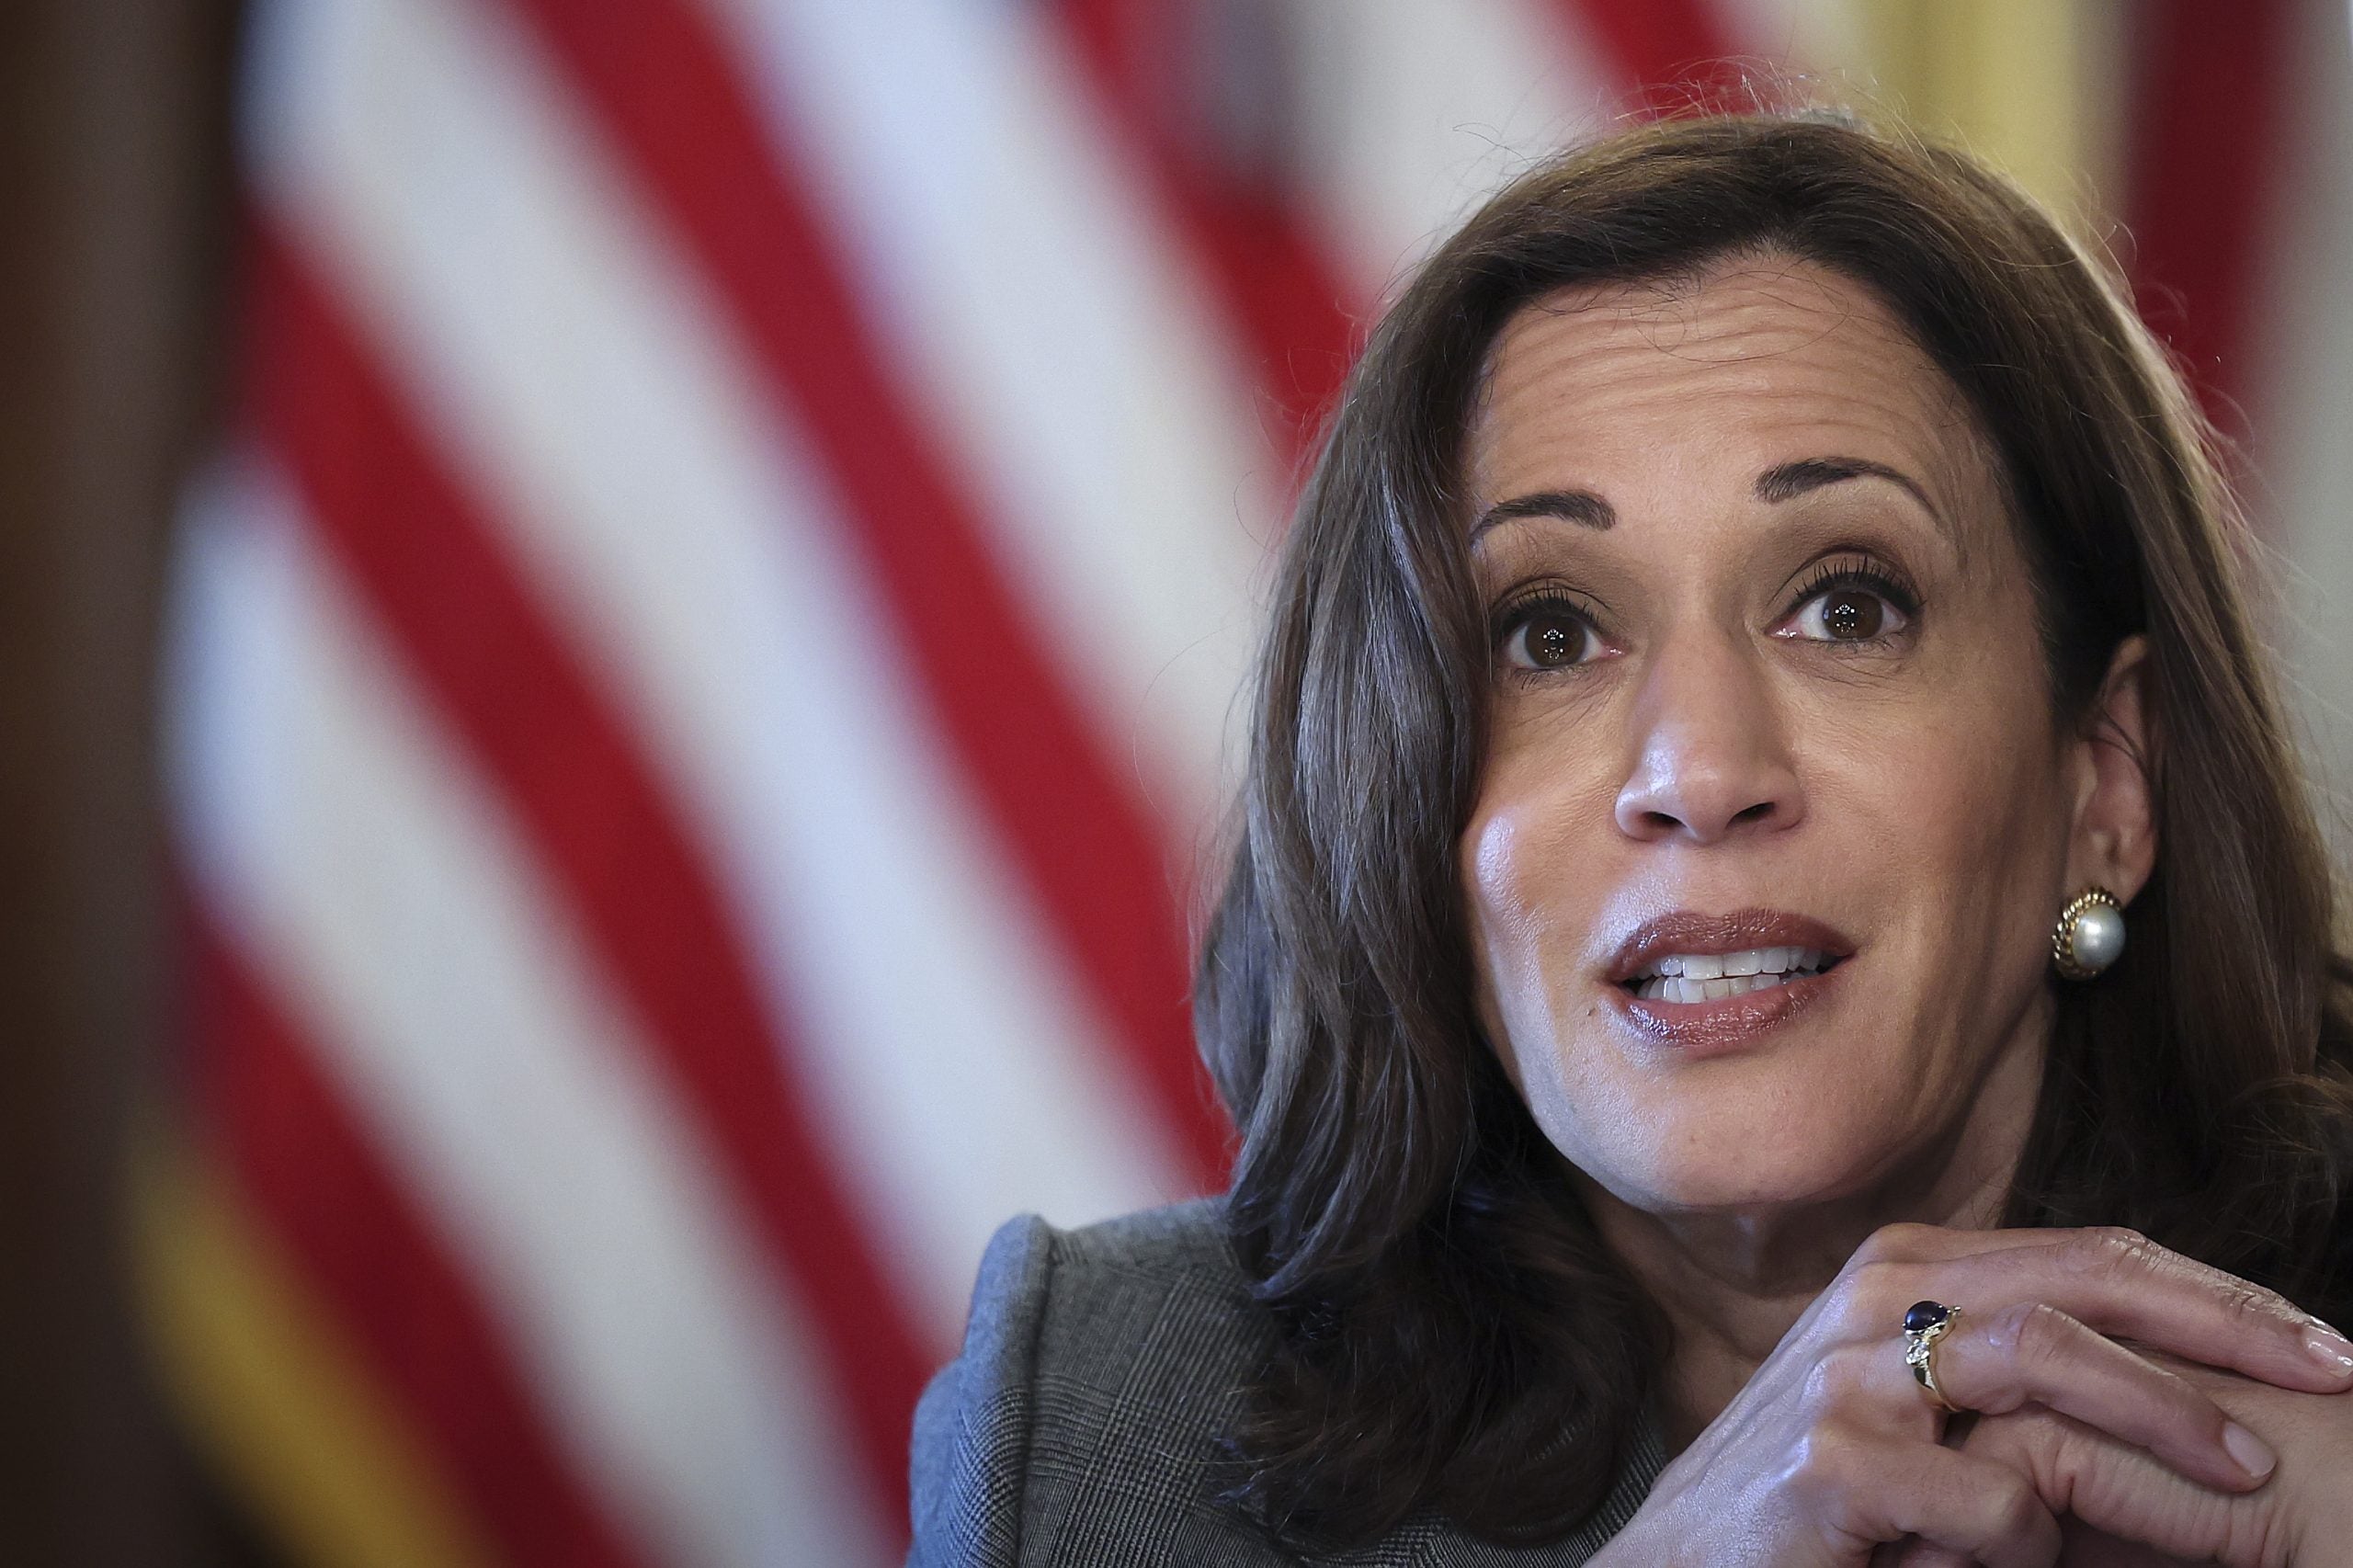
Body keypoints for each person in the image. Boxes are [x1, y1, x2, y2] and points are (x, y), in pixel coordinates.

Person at [906, 109, 2353, 1566]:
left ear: (2106, 782)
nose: (1700, 772)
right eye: (1552, 634)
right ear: (1412, 809)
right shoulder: (1102, 1417)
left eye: (1845, 606)